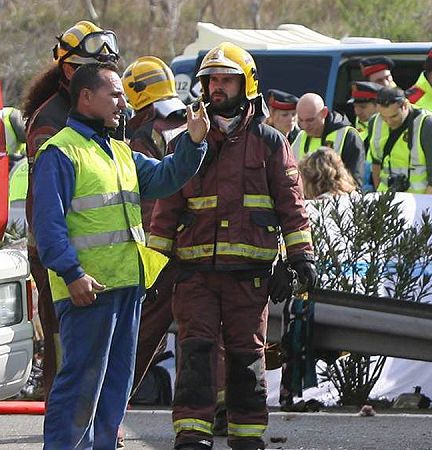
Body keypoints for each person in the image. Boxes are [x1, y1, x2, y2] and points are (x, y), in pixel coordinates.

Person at [147, 42, 316, 450]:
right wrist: (155, 267)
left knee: (246, 358)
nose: (217, 88)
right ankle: (191, 434)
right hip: (195, 273)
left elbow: (291, 205)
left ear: (247, 86)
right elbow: (165, 210)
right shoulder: (184, 144)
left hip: (250, 277)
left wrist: (300, 259)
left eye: (226, 80)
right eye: (212, 80)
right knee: (196, 353)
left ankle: (247, 435)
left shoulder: (271, 143)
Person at [32, 61, 208, 450]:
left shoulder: (120, 152)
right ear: (85, 97)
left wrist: (194, 142)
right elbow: (48, 226)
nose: (123, 105)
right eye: (114, 95)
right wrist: (72, 273)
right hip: (87, 290)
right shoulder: (60, 152)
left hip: (126, 286)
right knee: (80, 386)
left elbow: (165, 178)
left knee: (115, 386)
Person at [21, 19, 120, 407]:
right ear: (69, 71)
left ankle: (94, 420)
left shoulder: (101, 115)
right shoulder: (51, 123)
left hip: (99, 256)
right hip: (60, 257)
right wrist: (68, 267)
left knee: (100, 346)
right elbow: (49, 207)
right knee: (67, 347)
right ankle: (68, 423)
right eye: (96, 70)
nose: (108, 79)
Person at [121, 55, 190, 393]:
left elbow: (151, 208)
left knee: (139, 338)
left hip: (159, 256)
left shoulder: (140, 135)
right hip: (188, 250)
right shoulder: (183, 124)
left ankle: (108, 412)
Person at [369, 87, 432, 193]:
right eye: (383, 116)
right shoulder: (375, 122)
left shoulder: (429, 126)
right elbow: (376, 164)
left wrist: (425, 207)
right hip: (387, 200)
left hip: (420, 201)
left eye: (394, 116)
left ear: (405, 105)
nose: (389, 122)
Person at [293, 93, 364, 184]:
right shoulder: (300, 136)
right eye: (300, 120)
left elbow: (355, 180)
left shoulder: (347, 135)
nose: (305, 126)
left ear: (324, 113)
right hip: (306, 196)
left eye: (310, 120)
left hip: (338, 195)